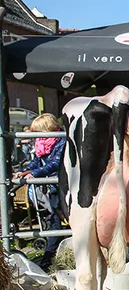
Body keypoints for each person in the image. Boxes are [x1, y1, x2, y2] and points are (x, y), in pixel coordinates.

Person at [14, 114, 67, 270]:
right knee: (55, 219)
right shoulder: (42, 144)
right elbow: (35, 162)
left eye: (38, 131)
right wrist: (24, 171)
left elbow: (56, 163)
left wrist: (36, 173)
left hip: (61, 186)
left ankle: (50, 256)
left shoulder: (61, 141)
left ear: (47, 128)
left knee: (59, 218)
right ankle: (51, 256)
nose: (36, 135)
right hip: (51, 187)